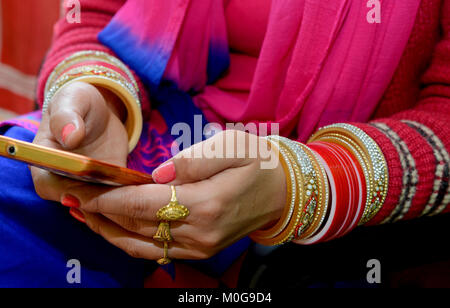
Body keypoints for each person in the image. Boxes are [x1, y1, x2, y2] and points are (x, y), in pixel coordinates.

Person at [0, 0, 449, 288]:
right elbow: (93, 17)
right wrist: (97, 94)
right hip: (153, 134)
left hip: (344, 194)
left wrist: (300, 186)